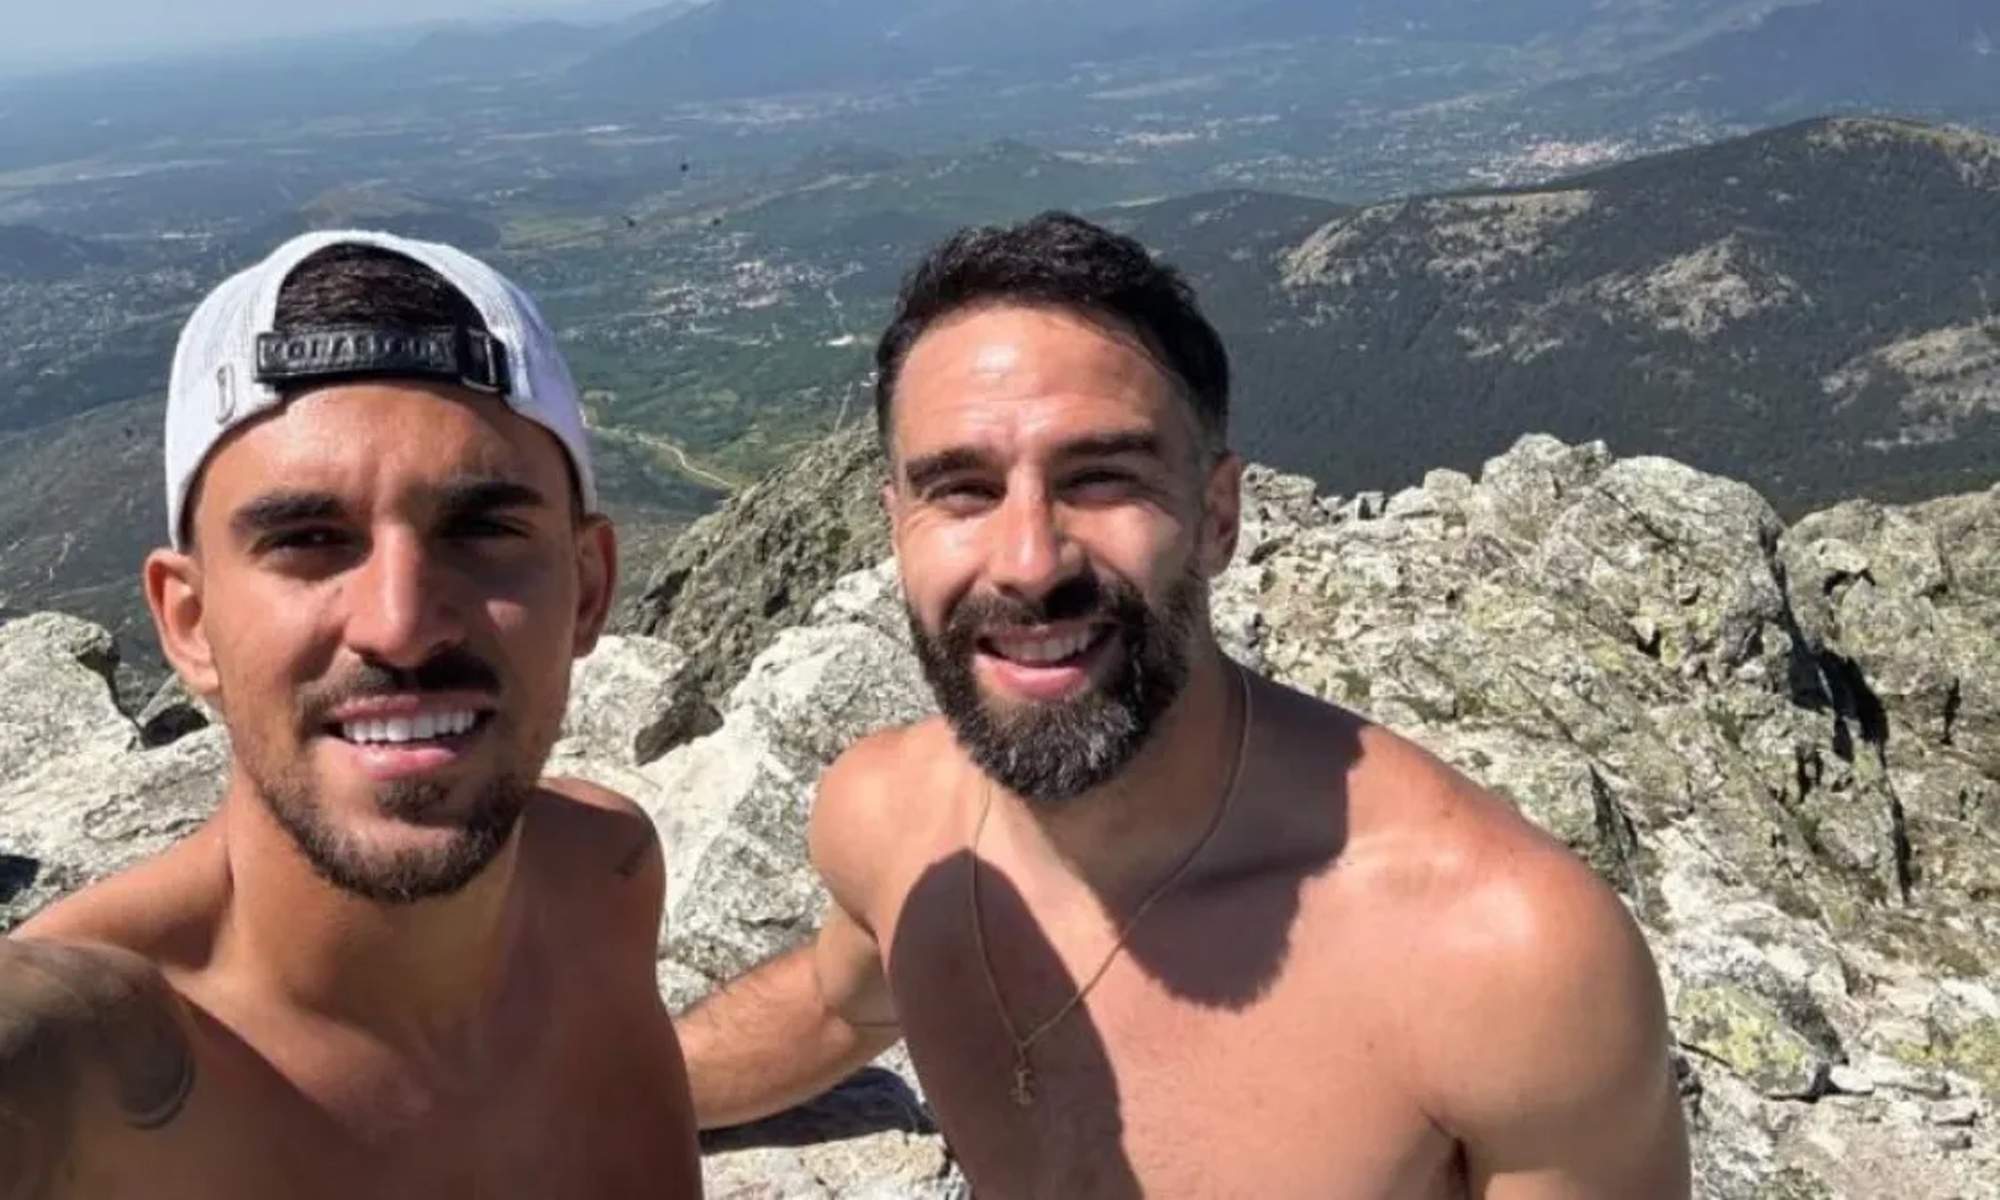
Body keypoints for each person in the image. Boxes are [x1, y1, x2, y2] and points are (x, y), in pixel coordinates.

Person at [677, 212, 1691, 1197]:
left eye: (1100, 478)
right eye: (963, 491)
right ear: (896, 526)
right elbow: (835, 1005)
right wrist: (568, 1098)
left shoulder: (1502, 959)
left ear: (1216, 518)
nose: (1029, 561)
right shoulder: (887, 826)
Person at [0, 232, 702, 1197]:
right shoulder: (97, 1057)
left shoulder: (606, 876)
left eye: (484, 530)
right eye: (309, 541)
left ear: (588, 590)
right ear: (189, 622)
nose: (402, 625)